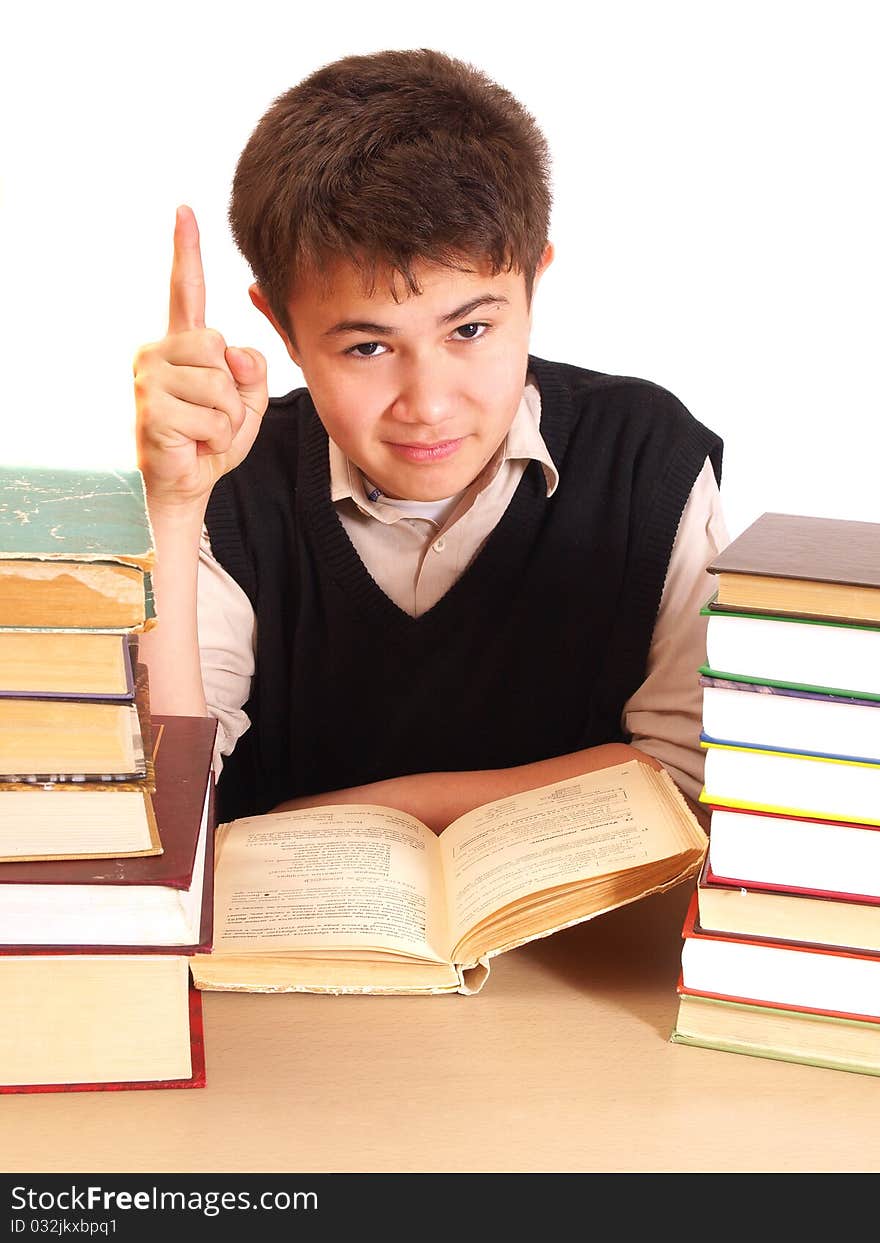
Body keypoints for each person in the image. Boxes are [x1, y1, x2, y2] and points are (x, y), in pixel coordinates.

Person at [134, 47, 728, 833]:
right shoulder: (235, 482)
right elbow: (167, 811)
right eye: (367, 348)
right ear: (281, 327)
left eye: (471, 329)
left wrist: (372, 810)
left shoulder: (646, 459)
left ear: (533, 282)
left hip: (587, 955)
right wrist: (174, 511)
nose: (429, 403)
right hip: (294, 955)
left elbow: (690, 781)